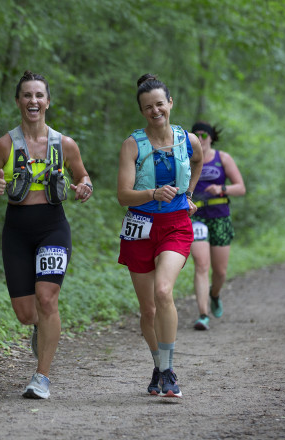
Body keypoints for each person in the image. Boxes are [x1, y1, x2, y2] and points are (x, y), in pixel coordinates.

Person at [0, 70, 93, 399]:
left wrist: (85, 187)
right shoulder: (5, 144)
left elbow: (84, 176)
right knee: (27, 313)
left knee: (47, 299)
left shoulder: (64, 144)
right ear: (18, 101)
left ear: (48, 101)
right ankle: (40, 328)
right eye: (27, 95)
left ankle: (42, 376)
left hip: (53, 226)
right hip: (16, 229)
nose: (33, 101)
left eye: (39, 95)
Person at [117, 73, 203, 398]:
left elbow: (198, 162)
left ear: (170, 103)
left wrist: (189, 193)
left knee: (164, 291)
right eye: (148, 107)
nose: (155, 111)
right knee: (148, 309)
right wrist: (152, 193)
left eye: (159, 104)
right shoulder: (132, 145)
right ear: (142, 111)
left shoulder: (188, 139)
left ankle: (168, 372)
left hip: (176, 225)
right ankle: (159, 365)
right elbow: (123, 195)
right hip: (139, 227)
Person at [189, 121, 246, 331]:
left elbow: (241, 188)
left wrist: (222, 188)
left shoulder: (223, 158)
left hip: (220, 217)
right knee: (201, 265)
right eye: (197, 135)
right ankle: (203, 314)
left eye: (205, 135)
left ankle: (214, 294)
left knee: (220, 272)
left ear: (211, 137)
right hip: (197, 218)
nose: (201, 139)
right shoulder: (187, 158)